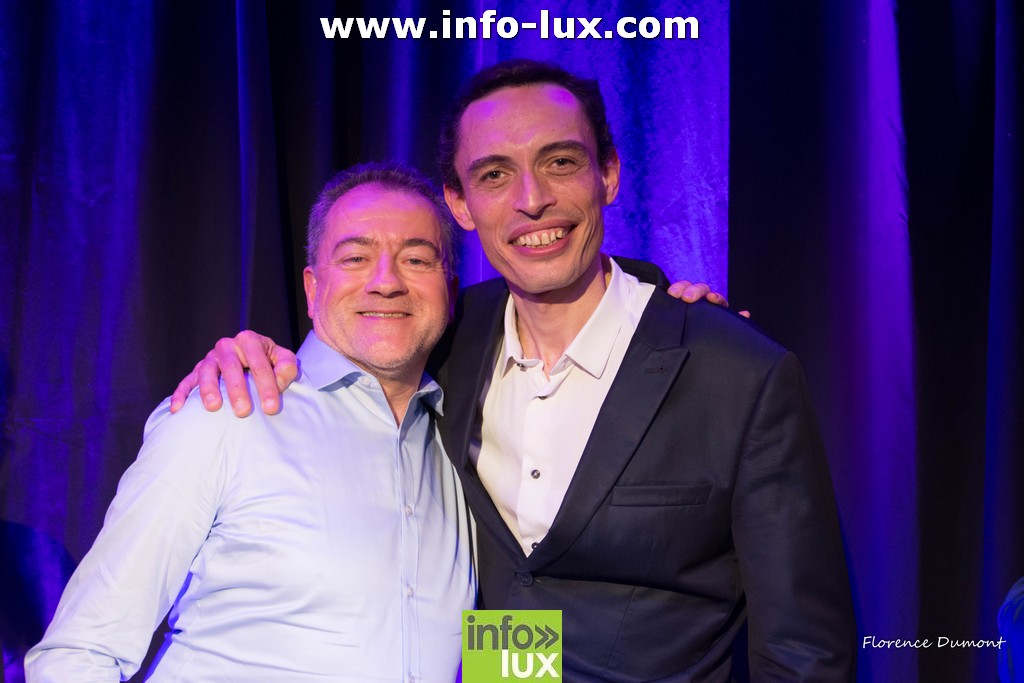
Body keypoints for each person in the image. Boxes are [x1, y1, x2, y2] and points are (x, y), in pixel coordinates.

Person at [177, 60, 857, 680]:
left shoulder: (734, 371)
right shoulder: (448, 339)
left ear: (609, 173)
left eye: (560, 162)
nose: (531, 199)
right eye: (495, 175)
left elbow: (804, 652)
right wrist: (251, 354)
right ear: (461, 204)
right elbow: (353, 345)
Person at [25, 164, 476, 682]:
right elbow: (80, 652)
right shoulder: (225, 415)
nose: (386, 282)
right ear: (312, 288)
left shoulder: (465, 448)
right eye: (355, 258)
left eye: (416, 259)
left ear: (450, 290)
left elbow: (515, 619)